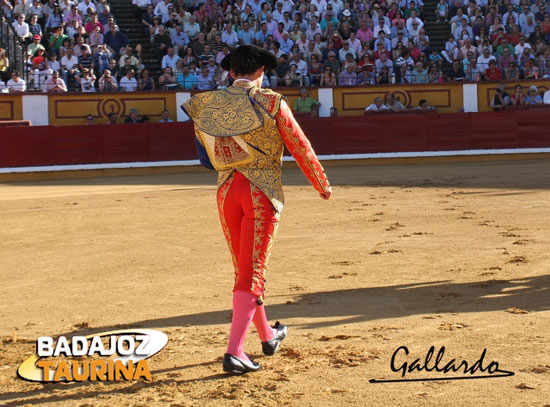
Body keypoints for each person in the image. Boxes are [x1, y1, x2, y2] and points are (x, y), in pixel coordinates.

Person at [182, 45, 331, 375]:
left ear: (231, 73)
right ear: (261, 72)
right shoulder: (271, 101)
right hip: (260, 193)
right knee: (252, 273)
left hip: (225, 193)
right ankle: (235, 352)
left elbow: (206, 158)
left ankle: (267, 335)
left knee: (245, 270)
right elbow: (299, 145)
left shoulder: (205, 104)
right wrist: (321, 184)